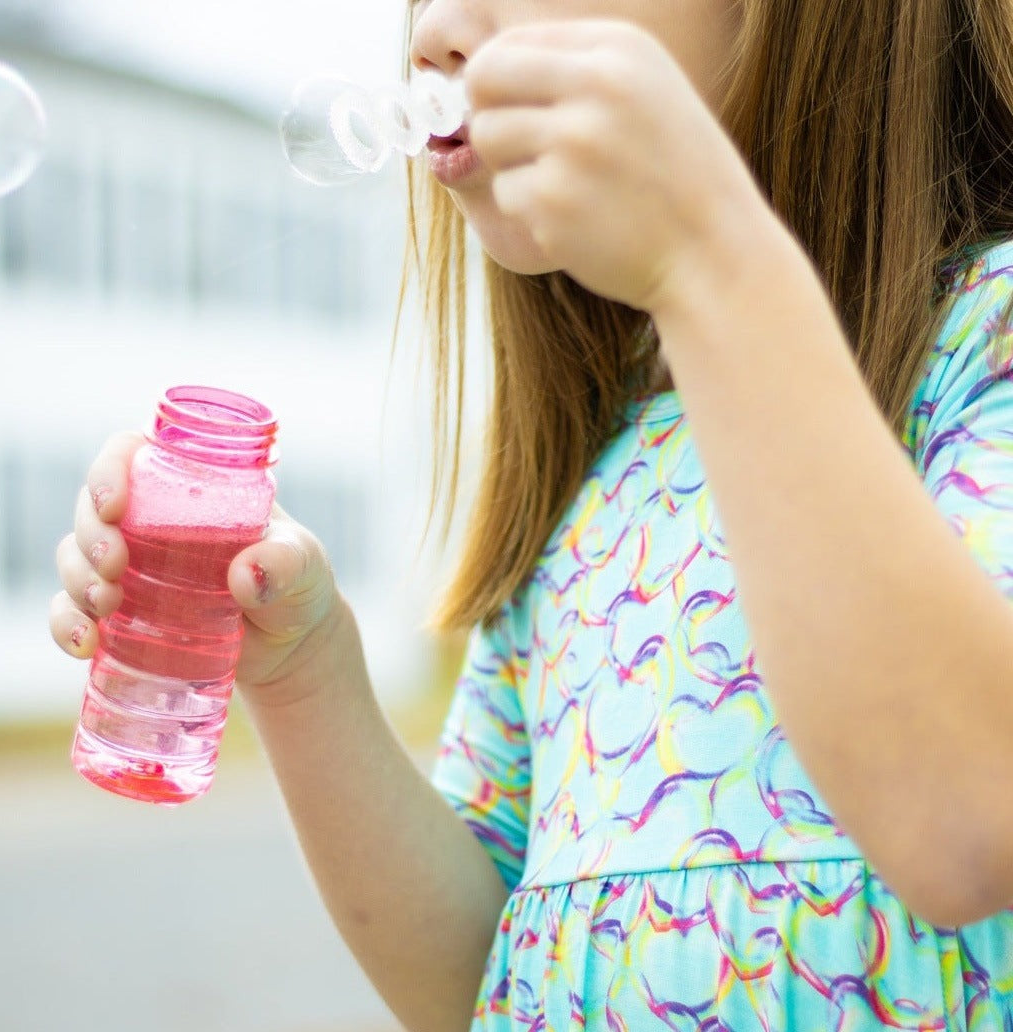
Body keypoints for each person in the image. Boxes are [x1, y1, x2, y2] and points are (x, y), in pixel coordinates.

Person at [50, 0, 1013, 1028]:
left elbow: (968, 828)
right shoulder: (599, 463)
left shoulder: (985, 347)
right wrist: (302, 672)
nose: (433, 32)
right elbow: (472, 976)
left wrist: (710, 263)